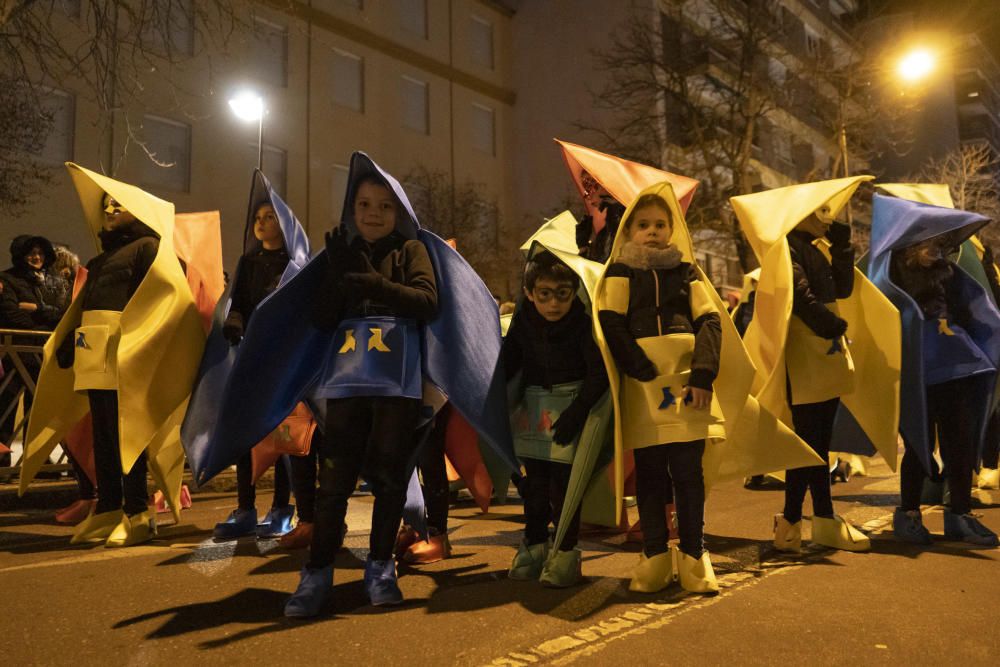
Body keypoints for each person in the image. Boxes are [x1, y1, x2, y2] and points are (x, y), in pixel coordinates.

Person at [867, 194, 1000, 547]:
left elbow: (975, 314)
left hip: (957, 370)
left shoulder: (951, 275)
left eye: (942, 244)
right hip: (915, 375)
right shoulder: (890, 280)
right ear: (911, 245)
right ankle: (908, 514)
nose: (939, 250)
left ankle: (959, 515)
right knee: (917, 446)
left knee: (960, 445)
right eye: (931, 244)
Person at [503, 251, 609, 587]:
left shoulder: (582, 322)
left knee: (566, 488)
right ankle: (535, 544)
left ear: (574, 291)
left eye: (562, 293)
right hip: (535, 409)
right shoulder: (523, 322)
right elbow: (506, 365)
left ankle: (565, 551)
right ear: (530, 292)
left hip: (572, 407)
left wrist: (577, 413)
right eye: (544, 294)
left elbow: (599, 373)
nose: (553, 304)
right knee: (534, 486)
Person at [213, 201, 296, 540]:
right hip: (250, 356)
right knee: (245, 434)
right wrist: (234, 324)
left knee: (285, 438)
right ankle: (245, 509)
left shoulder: (295, 265)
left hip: (284, 358)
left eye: (269, 217)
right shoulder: (247, 262)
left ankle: (281, 510)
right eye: (257, 219)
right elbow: (239, 301)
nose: (261, 223)